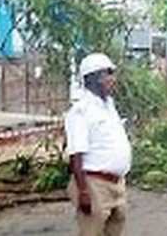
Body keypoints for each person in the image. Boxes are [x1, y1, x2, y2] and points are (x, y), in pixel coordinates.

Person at [65, 53, 132, 236]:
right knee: (91, 232)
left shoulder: (108, 105)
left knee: (115, 229)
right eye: (107, 74)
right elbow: (76, 155)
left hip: (116, 184)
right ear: (93, 78)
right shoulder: (81, 111)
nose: (112, 79)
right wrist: (83, 191)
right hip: (94, 185)